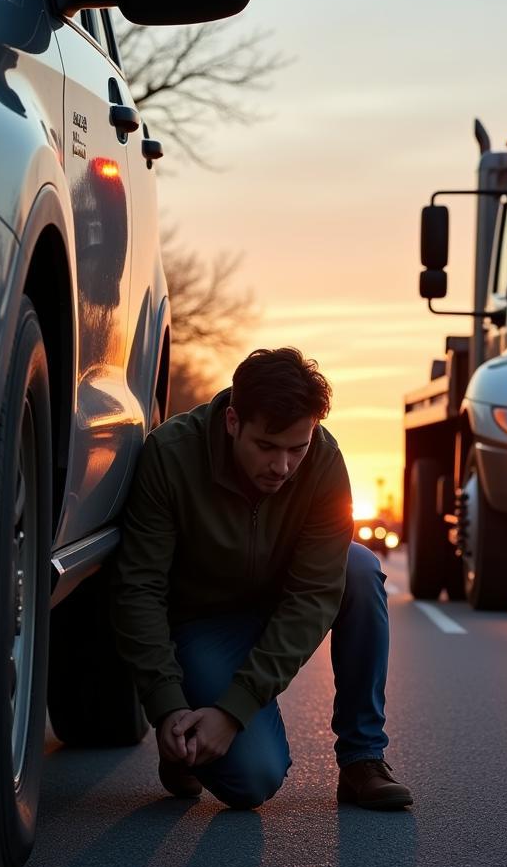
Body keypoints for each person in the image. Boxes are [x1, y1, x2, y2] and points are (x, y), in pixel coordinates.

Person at [112, 347, 412, 810]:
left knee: (360, 569)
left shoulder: (324, 461)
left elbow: (314, 595)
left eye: (298, 448)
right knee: (253, 781)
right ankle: (186, 745)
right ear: (233, 421)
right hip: (202, 622)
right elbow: (140, 588)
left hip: (278, 595)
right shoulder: (171, 455)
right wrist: (167, 704)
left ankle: (362, 760)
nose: (283, 466)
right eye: (267, 447)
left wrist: (235, 710)